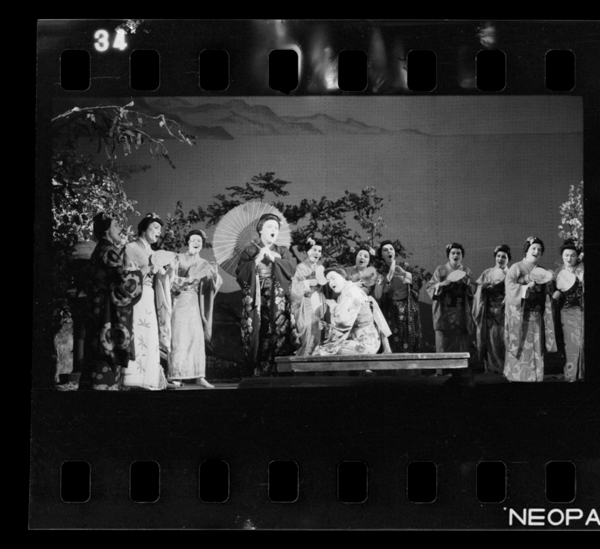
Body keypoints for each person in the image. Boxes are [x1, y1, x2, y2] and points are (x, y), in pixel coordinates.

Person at [79, 213, 144, 390]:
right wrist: (141, 272)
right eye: (116, 225)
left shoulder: (99, 249)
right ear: (107, 229)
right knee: (106, 350)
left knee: (95, 350)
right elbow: (124, 282)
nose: (119, 229)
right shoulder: (109, 251)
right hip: (106, 310)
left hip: (97, 307)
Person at [235, 213, 296, 376]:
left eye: (276, 228)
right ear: (260, 230)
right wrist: (256, 260)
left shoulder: (282, 250)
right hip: (257, 295)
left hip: (277, 297)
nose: (273, 230)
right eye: (269, 226)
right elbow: (240, 274)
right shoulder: (250, 250)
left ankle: (278, 370)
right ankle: (256, 370)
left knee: (278, 329)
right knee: (258, 329)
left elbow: (291, 271)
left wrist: (275, 260)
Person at [165, 230, 223, 388]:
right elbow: (169, 278)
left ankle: (199, 375)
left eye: (199, 241)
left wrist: (215, 277)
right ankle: (176, 376)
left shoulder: (204, 263)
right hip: (178, 300)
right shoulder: (178, 258)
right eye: (194, 239)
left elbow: (210, 287)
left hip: (195, 303)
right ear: (188, 242)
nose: (197, 242)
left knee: (196, 339)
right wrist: (186, 280)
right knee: (179, 338)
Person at [121, 213, 168, 390]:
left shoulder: (155, 253)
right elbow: (126, 276)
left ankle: (149, 378)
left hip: (149, 295)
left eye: (160, 229)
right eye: (155, 227)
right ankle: (132, 378)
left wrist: (165, 273)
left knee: (150, 335)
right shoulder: (130, 247)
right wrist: (148, 269)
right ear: (144, 228)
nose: (159, 232)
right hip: (136, 297)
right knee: (137, 331)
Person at [504, 236, 556, 382]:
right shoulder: (516, 267)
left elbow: (548, 293)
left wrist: (550, 281)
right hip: (521, 315)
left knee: (536, 345)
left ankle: (536, 376)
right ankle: (517, 376)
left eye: (539, 250)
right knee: (520, 344)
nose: (536, 251)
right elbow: (509, 286)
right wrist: (525, 287)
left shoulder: (542, 270)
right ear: (526, 250)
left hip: (537, 315)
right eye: (533, 248)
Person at [312, 265, 391, 356]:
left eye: (333, 278)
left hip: (365, 342)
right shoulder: (348, 291)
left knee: (321, 352)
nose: (331, 283)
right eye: (328, 280)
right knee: (322, 348)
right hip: (362, 339)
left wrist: (333, 307)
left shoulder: (351, 292)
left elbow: (343, 323)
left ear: (343, 276)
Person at [426, 243, 476, 355]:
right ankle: (443, 367)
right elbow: (430, 286)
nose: (455, 255)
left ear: (462, 256)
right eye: (453, 253)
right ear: (448, 255)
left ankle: (460, 366)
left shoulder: (466, 271)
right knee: (443, 343)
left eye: (458, 253)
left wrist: (468, 286)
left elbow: (473, 289)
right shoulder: (441, 270)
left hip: (460, 312)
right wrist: (441, 284)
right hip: (444, 312)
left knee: (460, 344)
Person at [374, 240, 423, 353]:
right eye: (385, 250)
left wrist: (405, 274)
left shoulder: (404, 266)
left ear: (394, 252)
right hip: (390, 311)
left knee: (409, 338)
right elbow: (378, 296)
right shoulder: (380, 272)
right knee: (392, 340)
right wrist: (383, 283)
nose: (389, 251)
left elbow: (419, 278)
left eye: (391, 249)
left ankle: (411, 364)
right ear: (381, 255)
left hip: (408, 309)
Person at [472, 245, 511, 374]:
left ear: (508, 259)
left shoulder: (511, 274)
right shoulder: (487, 273)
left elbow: (516, 290)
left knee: (505, 340)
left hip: (506, 313)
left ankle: (507, 370)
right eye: (498, 256)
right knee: (492, 341)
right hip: (490, 313)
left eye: (503, 256)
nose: (500, 259)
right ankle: (492, 370)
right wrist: (482, 288)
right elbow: (477, 288)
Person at [552, 238, 584, 382]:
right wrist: (555, 295)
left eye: (572, 255)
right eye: (566, 255)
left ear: (577, 256)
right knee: (570, 345)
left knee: (582, 344)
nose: (569, 258)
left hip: (583, 311)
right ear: (562, 256)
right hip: (566, 313)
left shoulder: (583, 269)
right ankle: (571, 377)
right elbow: (552, 294)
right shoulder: (558, 272)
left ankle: (582, 375)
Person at [291, 237, 326, 356]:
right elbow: (294, 287)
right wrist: (307, 283)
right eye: (314, 250)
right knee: (306, 330)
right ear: (306, 251)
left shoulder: (320, 268)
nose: (317, 253)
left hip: (318, 303)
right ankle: (304, 359)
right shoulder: (300, 267)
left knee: (318, 330)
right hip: (305, 303)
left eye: (319, 251)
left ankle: (316, 360)